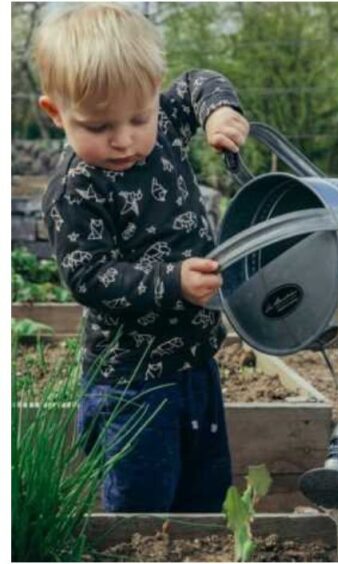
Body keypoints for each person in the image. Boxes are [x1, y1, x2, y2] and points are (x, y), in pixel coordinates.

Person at [35, 3, 250, 512]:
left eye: (139, 117)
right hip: (131, 379)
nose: (123, 139)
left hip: (197, 358)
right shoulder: (75, 191)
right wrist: (171, 282)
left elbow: (199, 80)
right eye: (97, 125)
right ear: (56, 113)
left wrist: (219, 110)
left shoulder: (167, 125)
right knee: (142, 496)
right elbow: (89, 276)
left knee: (206, 483)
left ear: (155, 93)